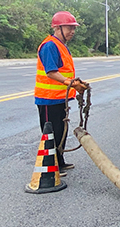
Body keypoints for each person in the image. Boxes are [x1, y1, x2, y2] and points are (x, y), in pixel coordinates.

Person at [35, 11, 89, 176]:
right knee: (51, 133)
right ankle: (52, 166)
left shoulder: (61, 45)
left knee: (61, 130)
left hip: (60, 98)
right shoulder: (50, 45)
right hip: (48, 99)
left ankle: (60, 161)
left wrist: (74, 85)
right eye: (69, 28)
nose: (72, 31)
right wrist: (72, 84)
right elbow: (51, 72)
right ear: (57, 27)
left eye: (73, 28)